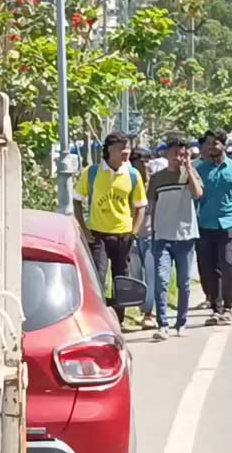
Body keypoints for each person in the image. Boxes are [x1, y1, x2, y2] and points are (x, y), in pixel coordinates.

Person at [72, 132, 147, 329]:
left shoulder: (132, 175)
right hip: (98, 235)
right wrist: (84, 229)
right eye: (122, 149)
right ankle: (98, 317)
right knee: (98, 275)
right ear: (110, 150)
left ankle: (119, 319)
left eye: (128, 148)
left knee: (121, 277)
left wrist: (135, 232)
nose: (127, 153)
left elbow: (141, 206)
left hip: (123, 235)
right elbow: (77, 200)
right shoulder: (92, 173)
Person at [194, 130, 232, 326]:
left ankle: (228, 307)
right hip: (205, 225)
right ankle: (215, 308)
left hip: (230, 223)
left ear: (224, 146)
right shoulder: (200, 170)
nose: (211, 147)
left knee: (227, 263)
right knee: (209, 268)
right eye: (209, 143)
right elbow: (194, 197)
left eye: (215, 144)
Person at [146, 136, 204, 340]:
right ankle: (163, 323)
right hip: (162, 236)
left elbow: (198, 195)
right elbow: (151, 207)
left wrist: (189, 168)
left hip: (186, 236)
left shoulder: (191, 174)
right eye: (176, 153)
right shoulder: (157, 178)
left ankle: (182, 322)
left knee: (184, 282)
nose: (179, 157)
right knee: (161, 280)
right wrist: (151, 232)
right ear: (166, 154)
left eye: (183, 153)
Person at [128, 147, 158, 331]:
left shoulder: (153, 182)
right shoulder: (127, 181)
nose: (145, 165)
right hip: (131, 236)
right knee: (135, 275)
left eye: (148, 160)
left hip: (152, 236)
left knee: (151, 274)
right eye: (141, 161)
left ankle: (149, 313)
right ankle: (140, 309)